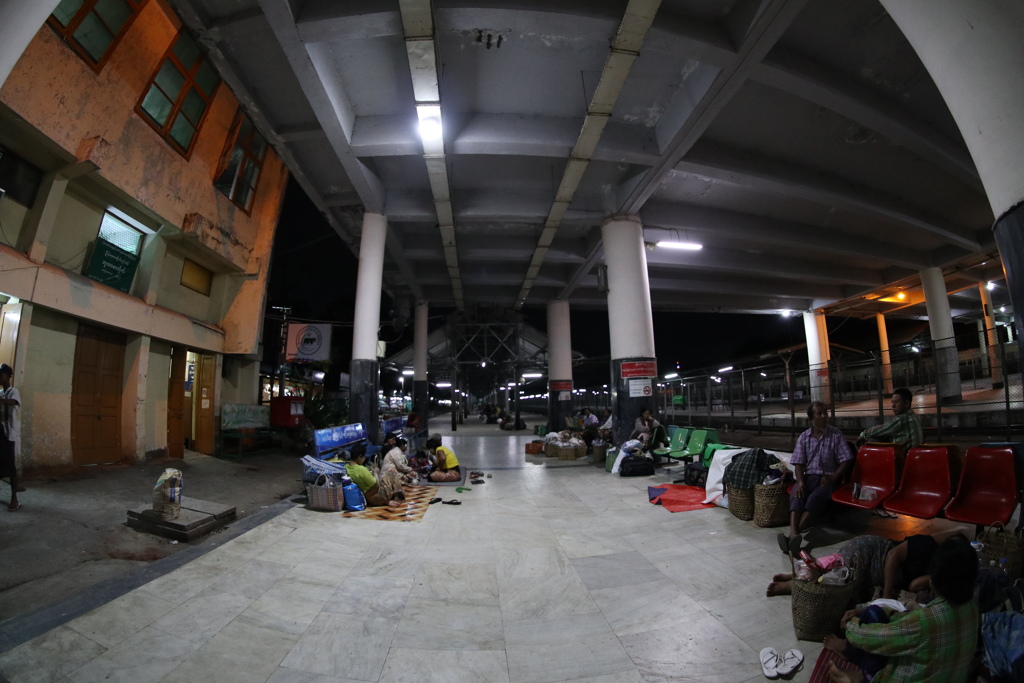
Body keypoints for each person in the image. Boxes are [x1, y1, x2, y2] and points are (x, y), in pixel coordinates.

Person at [825, 534, 979, 683]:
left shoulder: (924, 622)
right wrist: (885, 609)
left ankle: (861, 678)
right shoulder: (972, 609)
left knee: (877, 630)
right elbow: (913, 623)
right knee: (877, 612)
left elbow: (870, 638)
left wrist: (851, 625)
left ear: (932, 580)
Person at [766, 526, 968, 602]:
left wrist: (935, 577)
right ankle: (794, 585)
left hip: (875, 573)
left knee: (836, 570)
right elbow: (892, 556)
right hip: (872, 551)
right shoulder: (927, 544)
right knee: (844, 581)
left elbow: (915, 586)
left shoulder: (936, 571)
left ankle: (799, 575)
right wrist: (887, 594)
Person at [781, 401, 854, 545]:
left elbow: (846, 459)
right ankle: (794, 534)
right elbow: (798, 463)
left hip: (827, 480)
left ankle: (795, 535)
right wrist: (801, 482)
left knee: (816, 497)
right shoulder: (804, 437)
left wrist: (833, 477)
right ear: (811, 419)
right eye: (819, 414)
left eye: (825, 413)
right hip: (808, 478)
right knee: (797, 494)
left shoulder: (835, 434)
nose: (824, 416)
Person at [855, 387, 923, 450]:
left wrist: (863, 434)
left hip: (904, 457)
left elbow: (882, 429)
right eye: (892, 402)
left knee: (872, 440)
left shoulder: (903, 418)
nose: (893, 405)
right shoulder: (913, 416)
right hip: (913, 455)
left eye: (896, 402)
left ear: (907, 403)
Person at [0, 363, 22, 511]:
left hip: (9, 434)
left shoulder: (13, 392)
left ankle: (14, 498)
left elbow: (13, 402)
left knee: (11, 467)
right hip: (0, 432)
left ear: (8, 376)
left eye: (1, 375)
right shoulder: (0, 393)